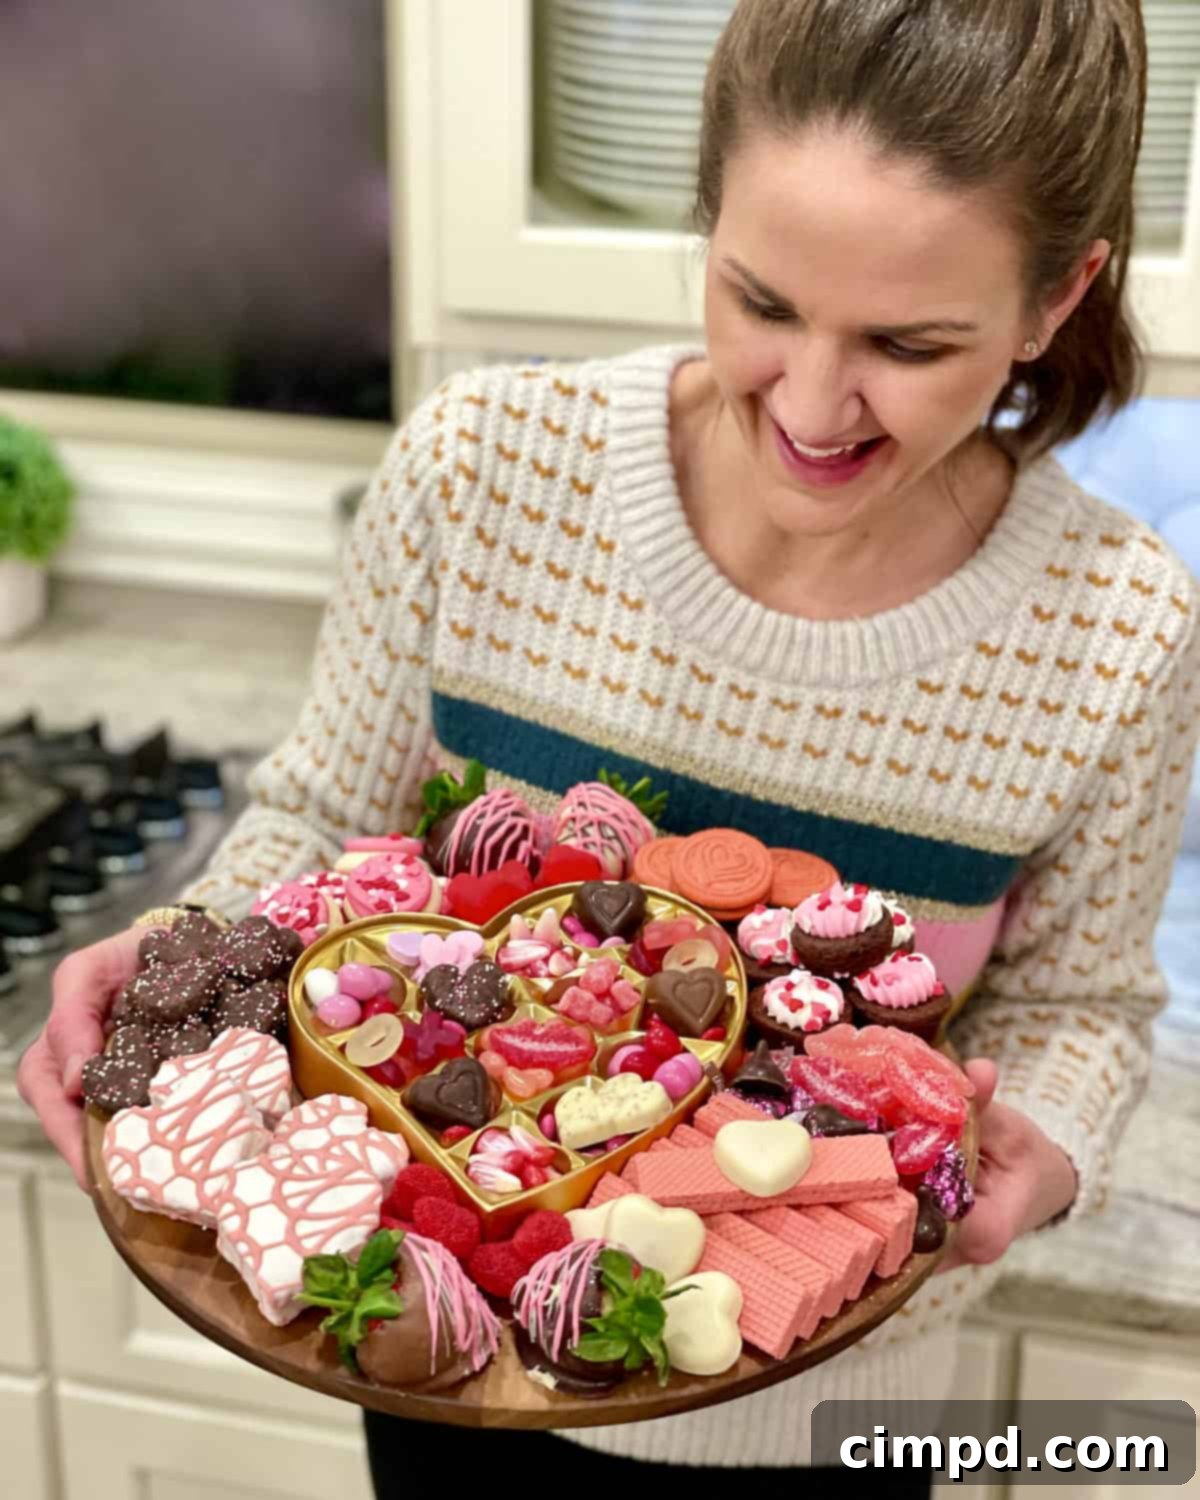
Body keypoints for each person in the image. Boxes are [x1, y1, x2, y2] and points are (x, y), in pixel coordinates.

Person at [19, 0, 1199, 1488]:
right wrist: (195, 958)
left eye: (909, 343)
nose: (818, 405)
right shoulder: (483, 474)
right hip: (454, 1363)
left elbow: (1081, 1002)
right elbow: (318, 825)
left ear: (1055, 298)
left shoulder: (1119, 627)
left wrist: (1042, 1146)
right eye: (761, 301)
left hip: (839, 1408)